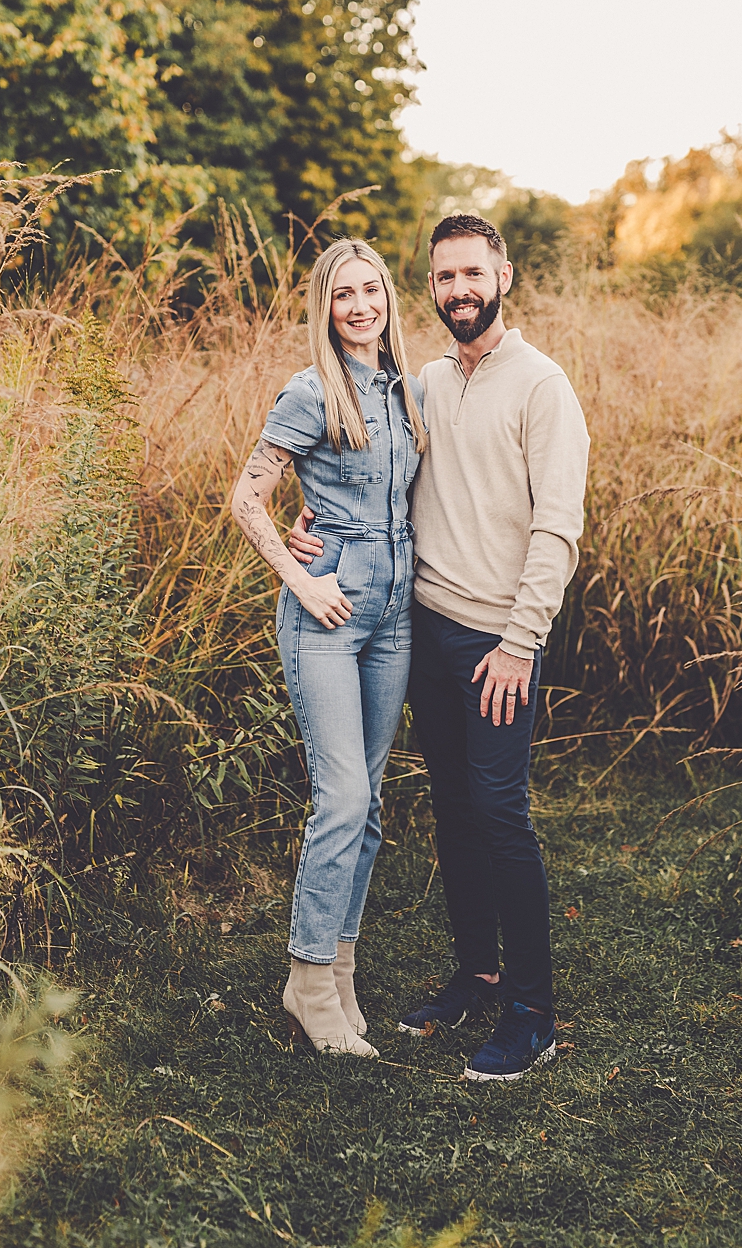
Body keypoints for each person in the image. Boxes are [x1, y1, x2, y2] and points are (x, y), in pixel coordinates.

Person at [291, 214, 589, 1081]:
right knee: (452, 809)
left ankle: (531, 1012)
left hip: (501, 642)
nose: (458, 290)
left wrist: (521, 642)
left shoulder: (543, 387)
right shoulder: (420, 382)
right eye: (443, 277)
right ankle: (477, 974)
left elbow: (557, 531)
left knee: (501, 813)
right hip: (424, 625)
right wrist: (315, 518)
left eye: (472, 273)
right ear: (429, 288)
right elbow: (372, 471)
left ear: (504, 274)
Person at [230, 238, 427, 1058]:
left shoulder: (405, 392)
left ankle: (340, 972)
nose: (358, 306)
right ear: (325, 305)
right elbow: (245, 497)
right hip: (329, 612)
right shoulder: (312, 393)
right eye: (342, 294)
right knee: (341, 798)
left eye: (370, 290)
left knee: (370, 805)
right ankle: (307, 977)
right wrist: (298, 576)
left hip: (394, 613)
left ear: (387, 297)